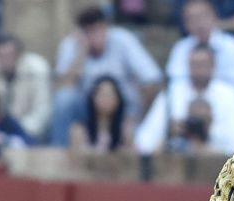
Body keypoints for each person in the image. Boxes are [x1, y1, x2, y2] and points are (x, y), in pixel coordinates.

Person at [50, 5, 162, 145]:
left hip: (125, 109)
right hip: (88, 112)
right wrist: (81, 53)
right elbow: (63, 88)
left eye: (98, 30)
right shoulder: (71, 44)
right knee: (64, 99)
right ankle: (59, 150)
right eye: (89, 32)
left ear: (106, 27)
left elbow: (152, 79)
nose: (95, 36)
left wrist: (138, 116)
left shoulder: (123, 39)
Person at [136, 44, 234, 155]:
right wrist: (168, 134)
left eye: (203, 64)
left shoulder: (229, 96)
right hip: (175, 164)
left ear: (213, 65)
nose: (199, 70)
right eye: (194, 65)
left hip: (219, 167)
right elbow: (144, 143)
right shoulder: (172, 94)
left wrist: (204, 139)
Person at [0, 34, 52, 142]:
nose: (5, 59)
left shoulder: (37, 68)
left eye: (9, 55)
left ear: (19, 54)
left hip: (29, 131)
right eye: (0, 55)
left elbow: (42, 111)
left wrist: (16, 136)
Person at [166, 0, 234, 95]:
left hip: (226, 103)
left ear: (214, 17)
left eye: (202, 16)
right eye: (192, 19)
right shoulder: (181, 48)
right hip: (190, 104)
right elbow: (176, 83)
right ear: (185, 24)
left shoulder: (233, 47)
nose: (198, 23)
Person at [67, 74, 130, 152]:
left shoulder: (125, 131)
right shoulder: (79, 130)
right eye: (102, 94)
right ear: (93, 98)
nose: (106, 99)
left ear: (118, 99)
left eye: (110, 95)